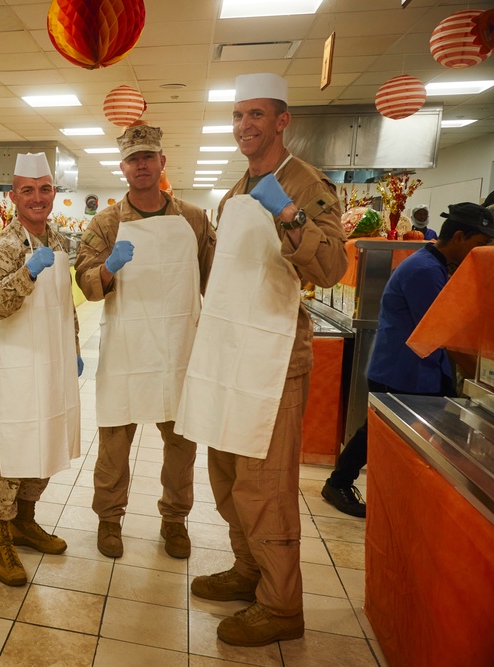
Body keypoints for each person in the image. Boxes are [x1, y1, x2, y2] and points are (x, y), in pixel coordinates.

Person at [179, 73, 348, 647]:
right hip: (230, 355)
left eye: (256, 115)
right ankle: (249, 569)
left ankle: (281, 606)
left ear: (282, 121)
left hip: (274, 359)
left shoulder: (305, 184)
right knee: (227, 476)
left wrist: (291, 217)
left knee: (266, 484)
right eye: (237, 116)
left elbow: (330, 269)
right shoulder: (233, 192)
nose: (244, 126)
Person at [74, 123, 216, 560]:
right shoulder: (107, 222)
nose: (141, 165)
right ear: (123, 167)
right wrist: (108, 269)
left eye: (148, 157)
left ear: (161, 162)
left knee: (181, 444)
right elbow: (85, 280)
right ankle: (109, 519)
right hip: (127, 349)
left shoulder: (192, 219)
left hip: (177, 350)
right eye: (133, 159)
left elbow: (215, 280)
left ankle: (174, 520)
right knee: (115, 440)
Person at [323, 202, 494, 517]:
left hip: (412, 369)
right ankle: (339, 483)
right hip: (403, 370)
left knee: (390, 434)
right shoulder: (425, 271)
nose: (483, 251)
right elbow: (443, 333)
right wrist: (478, 378)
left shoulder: (433, 265)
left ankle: (396, 490)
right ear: (459, 236)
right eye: (481, 244)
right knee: (378, 433)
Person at [0, 153, 82, 586]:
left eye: (45, 188)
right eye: (28, 190)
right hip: (12, 368)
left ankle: (25, 521)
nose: (38, 198)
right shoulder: (4, 246)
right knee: (8, 454)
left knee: (44, 442)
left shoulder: (57, 240)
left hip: (52, 364)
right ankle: (0, 537)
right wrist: (24, 275)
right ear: (14, 196)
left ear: (53, 192)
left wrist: (72, 345)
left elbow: (64, 305)